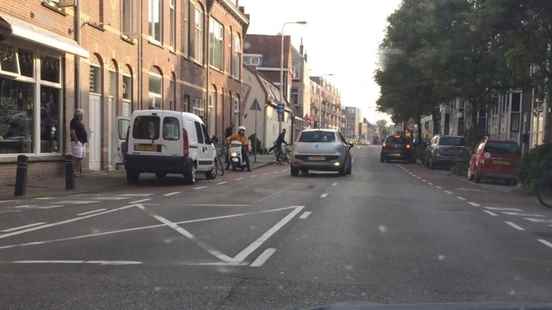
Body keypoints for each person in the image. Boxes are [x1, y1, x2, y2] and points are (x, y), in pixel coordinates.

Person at [70, 109, 88, 177]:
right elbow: (72, 131)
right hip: (77, 143)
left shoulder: (79, 122)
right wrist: (76, 140)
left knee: (80, 157)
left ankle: (78, 171)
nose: (82, 116)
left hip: (82, 142)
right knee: (76, 157)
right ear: (78, 115)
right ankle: (74, 172)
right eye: (81, 115)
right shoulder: (73, 121)